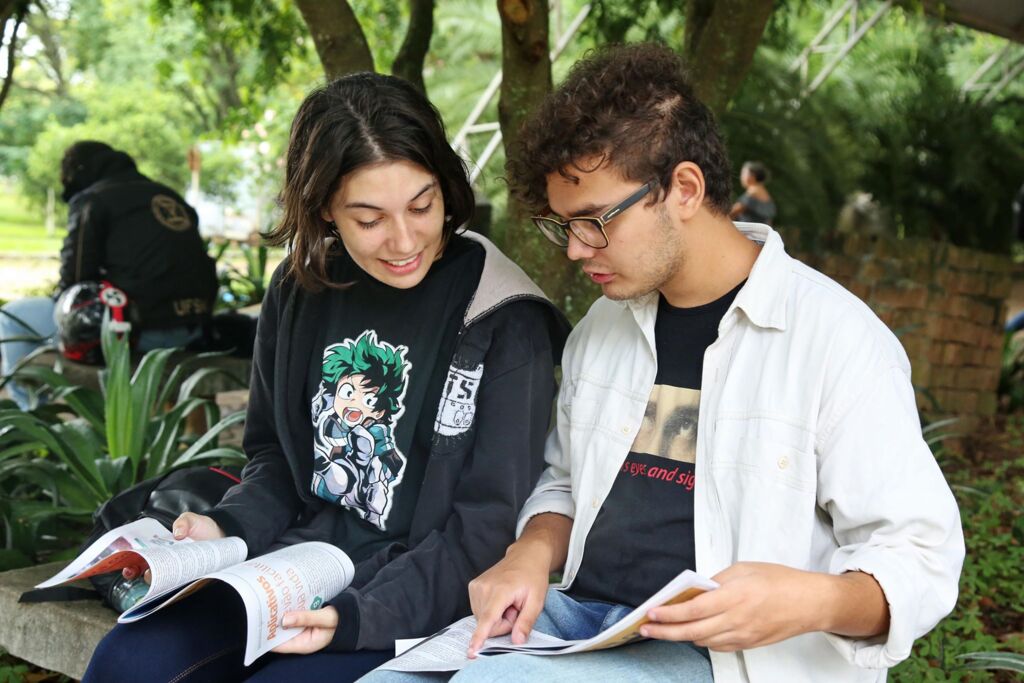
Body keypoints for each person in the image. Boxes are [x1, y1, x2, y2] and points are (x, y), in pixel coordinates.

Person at [363, 44, 963, 683]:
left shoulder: (834, 340)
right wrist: (530, 554)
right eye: (562, 225)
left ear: (684, 188)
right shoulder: (604, 328)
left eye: (594, 221)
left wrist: (808, 599)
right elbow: (564, 481)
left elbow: (920, 556)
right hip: (575, 623)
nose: (573, 250)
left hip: (727, 658)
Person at [82, 72, 569, 683]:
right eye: (369, 219)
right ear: (324, 210)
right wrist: (226, 527)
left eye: (422, 205)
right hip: (288, 565)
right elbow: (273, 456)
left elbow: (485, 527)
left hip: (411, 596)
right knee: (128, 662)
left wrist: (358, 616)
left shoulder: (503, 317)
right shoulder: (301, 284)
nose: (404, 240)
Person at [0, 141, 217, 408]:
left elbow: (75, 282)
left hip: (134, 333)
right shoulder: (171, 197)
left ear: (78, 171)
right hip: (193, 330)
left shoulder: (93, 200)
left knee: (10, 319)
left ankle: (35, 415)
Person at [728, 160, 776, 225]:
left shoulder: (753, 192)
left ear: (752, 176)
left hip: (749, 233)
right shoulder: (764, 192)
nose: (741, 177)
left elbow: (730, 213)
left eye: (743, 173)